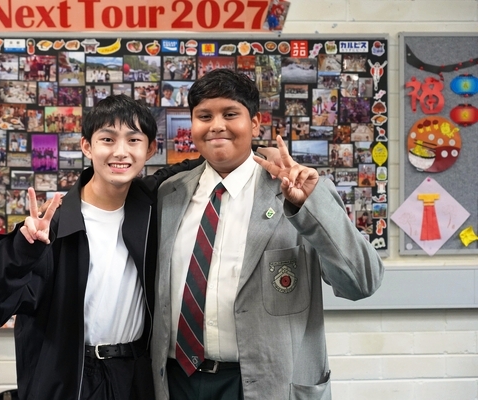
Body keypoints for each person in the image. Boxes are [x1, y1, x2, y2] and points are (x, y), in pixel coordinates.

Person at [151, 69, 384, 400]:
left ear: (255, 124)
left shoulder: (298, 191)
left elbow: (362, 283)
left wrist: (309, 206)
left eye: (230, 114)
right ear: (192, 126)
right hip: (179, 382)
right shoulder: (170, 194)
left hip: (269, 385)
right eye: (204, 116)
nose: (216, 125)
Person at [0, 95, 204, 400]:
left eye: (133, 140)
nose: (121, 152)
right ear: (87, 146)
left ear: (149, 150)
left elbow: (196, 165)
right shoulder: (53, 225)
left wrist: (254, 153)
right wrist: (22, 250)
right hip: (70, 379)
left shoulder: (150, 208)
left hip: (134, 376)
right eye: (108, 139)